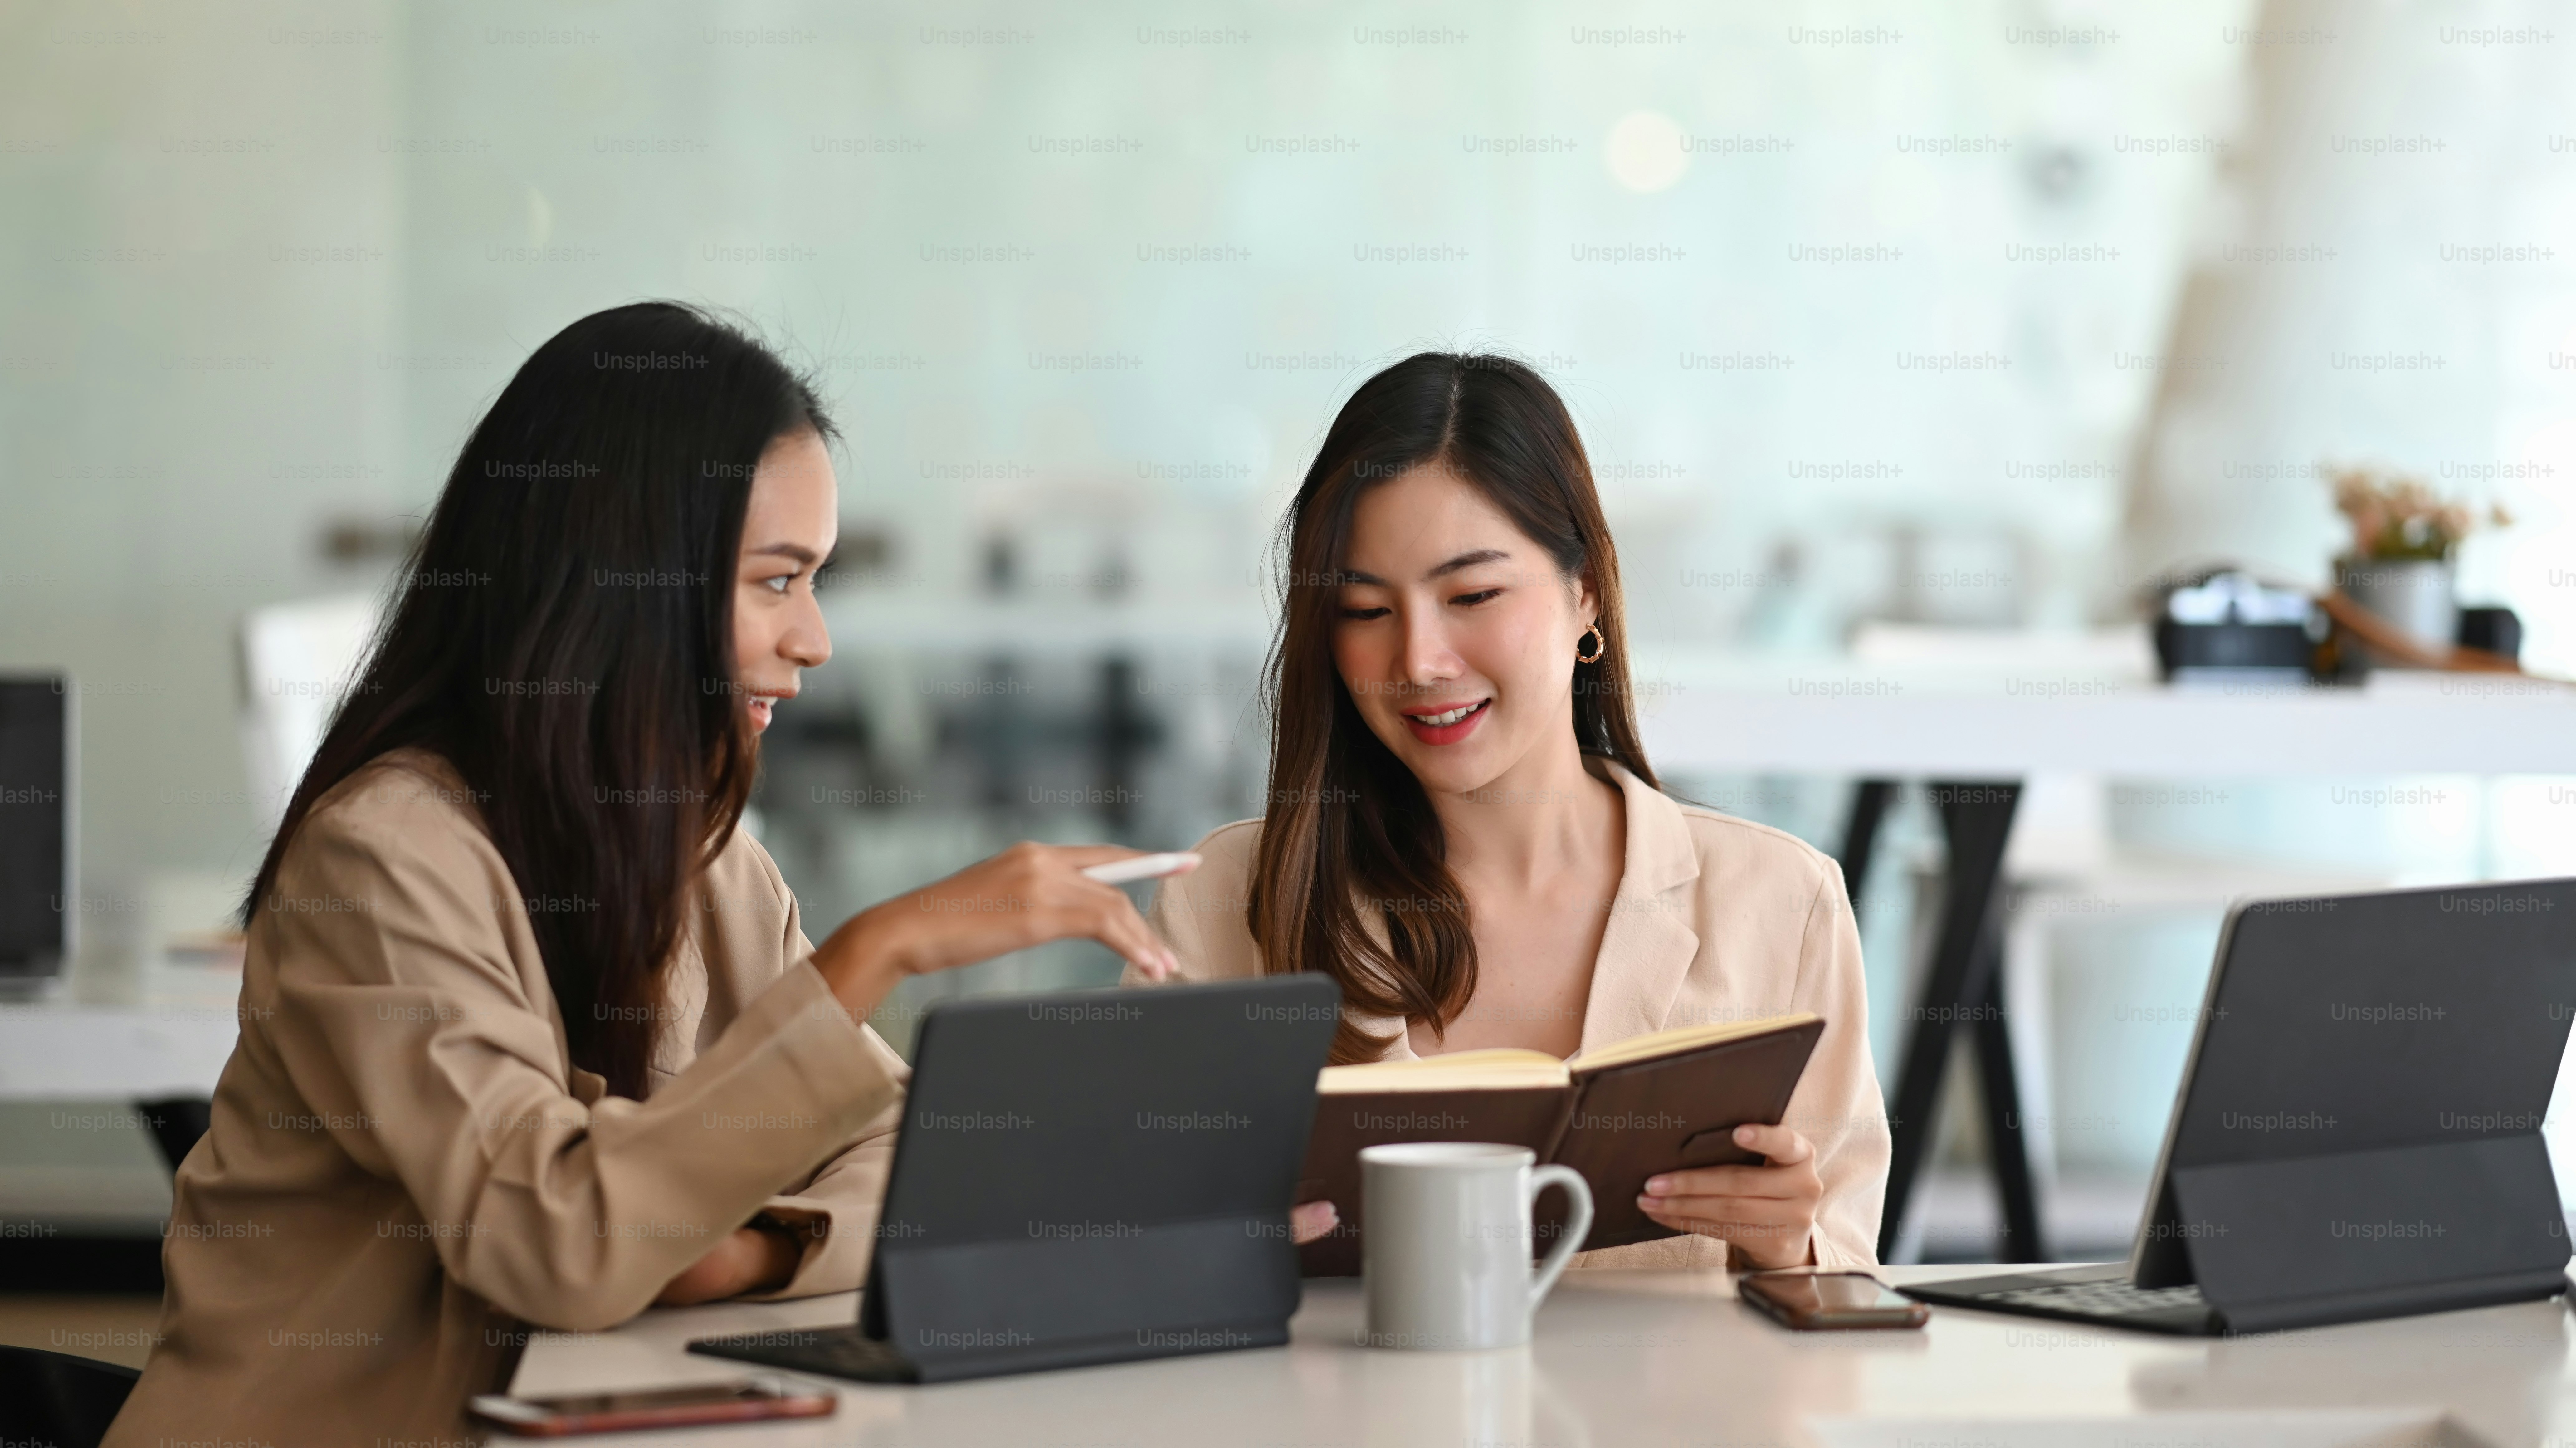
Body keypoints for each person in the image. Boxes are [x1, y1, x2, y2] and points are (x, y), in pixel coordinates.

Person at [105, 303, 1195, 1442]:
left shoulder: (700, 859)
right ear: (628, 582)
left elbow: (917, 1164)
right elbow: (561, 1246)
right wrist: (881, 950)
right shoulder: (383, 857)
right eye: (776, 582)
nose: (816, 639)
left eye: (815, 581)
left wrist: (751, 1251)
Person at [1138, 353, 1891, 1271]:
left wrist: (1791, 1250)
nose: (1420, 661)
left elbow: (1850, 1302)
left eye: (1473, 596)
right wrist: (1198, 1262)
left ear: (1585, 591)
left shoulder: (1783, 904)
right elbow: (1120, 1274)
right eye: (1366, 609)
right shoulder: (1221, 906)